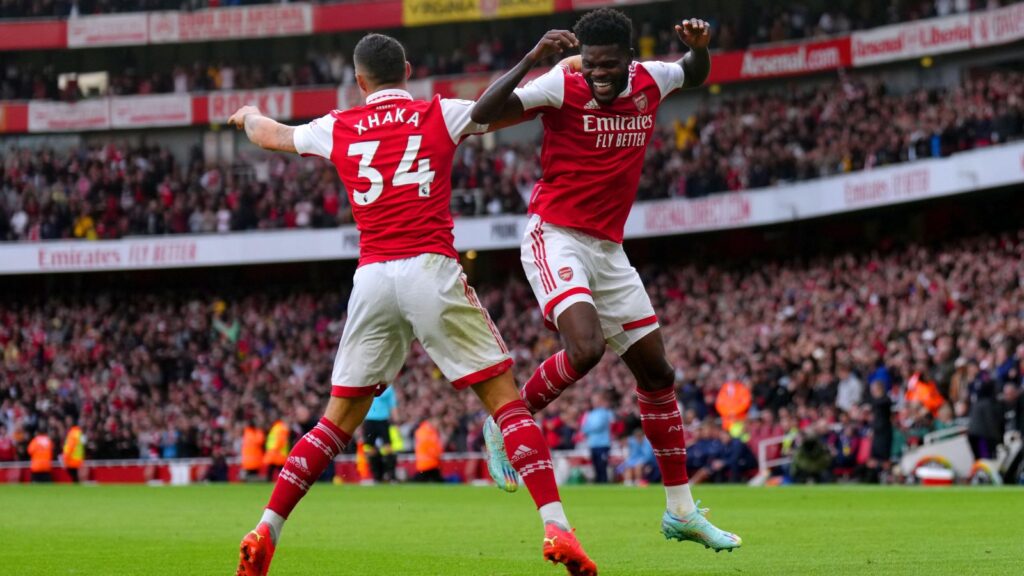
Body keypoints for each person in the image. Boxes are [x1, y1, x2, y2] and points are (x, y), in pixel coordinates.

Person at [230, 32, 596, 576]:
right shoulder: (439, 113)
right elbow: (506, 106)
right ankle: (557, 527)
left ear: (359, 81)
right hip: (429, 267)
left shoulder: (338, 125)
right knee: (505, 403)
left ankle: (266, 528)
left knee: (333, 425)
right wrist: (554, 65)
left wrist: (247, 113)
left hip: (372, 278)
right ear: (408, 69)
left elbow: (270, 135)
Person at [472, 9, 741, 551]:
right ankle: (508, 421)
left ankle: (681, 512)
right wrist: (531, 59)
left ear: (629, 59)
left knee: (658, 374)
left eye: (608, 65)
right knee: (587, 348)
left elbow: (694, 71)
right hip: (556, 235)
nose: (598, 74)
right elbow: (482, 114)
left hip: (610, 251)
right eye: (590, 64)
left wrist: (701, 46)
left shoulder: (650, 81)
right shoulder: (561, 85)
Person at [363, 385, 397, 483]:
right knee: (370, 448)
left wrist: (396, 419)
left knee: (388, 447)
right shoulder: (369, 384)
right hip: (369, 420)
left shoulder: (388, 387)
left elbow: (393, 404)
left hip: (383, 420)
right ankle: (377, 476)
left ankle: (391, 475)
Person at [580, 393, 613, 483]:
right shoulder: (591, 414)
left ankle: (604, 483)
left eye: (596, 401)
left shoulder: (605, 412)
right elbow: (584, 427)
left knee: (602, 465)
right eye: (593, 401)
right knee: (596, 466)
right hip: (593, 444)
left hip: (603, 443)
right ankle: (599, 483)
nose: (594, 403)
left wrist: (587, 429)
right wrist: (587, 428)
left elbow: (598, 426)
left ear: (601, 401)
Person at [413, 417, 443, 483]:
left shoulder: (429, 431)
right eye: (437, 422)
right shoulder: (426, 431)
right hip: (428, 462)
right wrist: (437, 454)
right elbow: (429, 446)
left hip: (430, 463)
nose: (438, 425)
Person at [263, 417, 289, 482]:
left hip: (276, 452)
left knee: (275, 468)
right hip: (278, 453)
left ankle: (270, 480)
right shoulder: (281, 428)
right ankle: (284, 481)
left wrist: (275, 449)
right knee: (277, 468)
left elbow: (279, 441)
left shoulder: (276, 428)